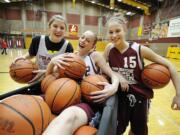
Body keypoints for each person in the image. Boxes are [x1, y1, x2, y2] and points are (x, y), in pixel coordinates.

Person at [103, 13, 180, 135]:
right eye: (110, 32)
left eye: (118, 31)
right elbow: (103, 68)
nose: (114, 35)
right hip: (119, 98)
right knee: (115, 131)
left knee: (137, 132)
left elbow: (170, 65)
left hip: (140, 98)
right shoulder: (109, 49)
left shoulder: (139, 49)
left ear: (125, 30)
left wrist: (178, 95)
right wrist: (117, 76)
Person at [42, 30, 120, 135]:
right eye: (82, 37)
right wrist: (52, 63)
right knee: (35, 101)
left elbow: (113, 74)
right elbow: (48, 80)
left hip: (86, 102)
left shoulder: (94, 56)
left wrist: (114, 87)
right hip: (63, 96)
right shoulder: (69, 57)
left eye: (88, 40)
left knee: (68, 116)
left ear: (93, 46)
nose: (83, 41)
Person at [13, 15, 73, 83]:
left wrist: (46, 71)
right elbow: (31, 54)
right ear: (49, 27)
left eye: (62, 28)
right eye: (55, 26)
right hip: (36, 78)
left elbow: (66, 68)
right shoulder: (37, 40)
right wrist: (21, 59)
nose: (58, 30)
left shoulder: (68, 46)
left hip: (55, 81)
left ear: (65, 31)